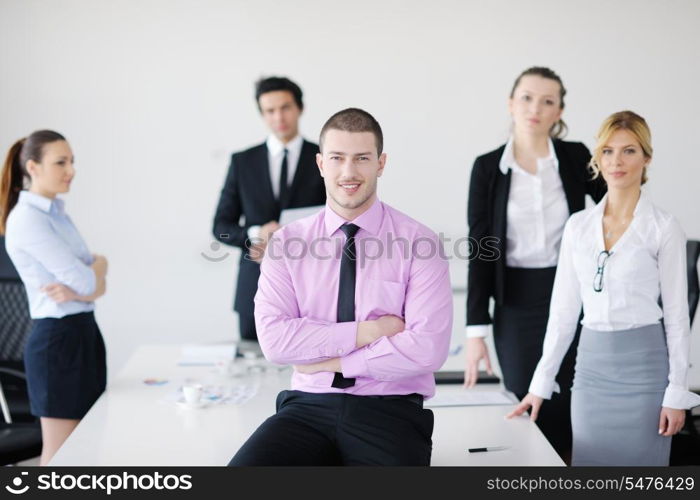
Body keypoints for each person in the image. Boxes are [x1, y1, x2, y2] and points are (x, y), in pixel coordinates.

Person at [228, 108, 453, 465]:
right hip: (307, 407)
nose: (349, 172)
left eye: (362, 158)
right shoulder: (287, 243)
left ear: (381, 163)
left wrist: (334, 361)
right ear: (320, 164)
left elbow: (427, 349)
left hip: (390, 410)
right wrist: (371, 331)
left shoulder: (420, 243)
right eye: (337, 158)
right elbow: (275, 341)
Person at [508, 111, 700, 466]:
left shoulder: (663, 227)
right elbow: (563, 313)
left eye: (629, 151)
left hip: (645, 372)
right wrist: (540, 383)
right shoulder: (578, 227)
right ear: (598, 158)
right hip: (591, 372)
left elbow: (676, 317)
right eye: (608, 151)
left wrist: (677, 392)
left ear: (647, 157)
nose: (616, 161)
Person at [464, 67, 606, 460]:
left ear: (560, 110)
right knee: (530, 402)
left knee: (573, 400)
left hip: (576, 298)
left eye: (548, 101)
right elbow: (481, 249)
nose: (535, 108)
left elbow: (618, 208)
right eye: (526, 97)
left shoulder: (577, 157)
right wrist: (476, 329)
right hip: (517, 303)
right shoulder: (488, 168)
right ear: (511, 104)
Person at [0, 130, 108, 465]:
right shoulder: (27, 219)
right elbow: (87, 278)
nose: (70, 170)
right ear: (32, 167)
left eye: (71, 161)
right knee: (60, 456)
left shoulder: (56, 213)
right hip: (57, 344)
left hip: (84, 332)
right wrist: (96, 273)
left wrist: (96, 272)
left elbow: (93, 281)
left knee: (85, 449)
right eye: (60, 162)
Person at [213, 76, 326, 341]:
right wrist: (255, 235)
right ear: (262, 114)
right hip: (255, 288)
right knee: (253, 370)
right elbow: (220, 227)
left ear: (300, 108)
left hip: (315, 287)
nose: (278, 117)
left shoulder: (325, 157)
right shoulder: (242, 162)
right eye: (270, 111)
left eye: (285, 107)